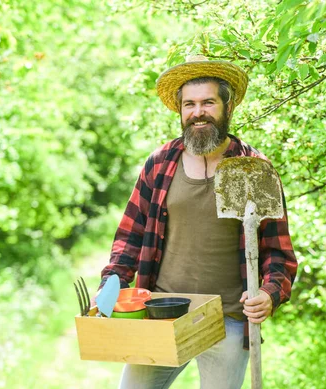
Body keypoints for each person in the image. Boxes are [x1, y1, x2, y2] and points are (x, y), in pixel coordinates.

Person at [94, 55, 298, 389]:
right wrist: (111, 284)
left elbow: (278, 252)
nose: (197, 112)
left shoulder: (253, 168)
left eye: (207, 102)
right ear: (180, 111)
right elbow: (130, 236)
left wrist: (269, 293)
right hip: (161, 313)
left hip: (227, 319)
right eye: (189, 104)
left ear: (226, 106)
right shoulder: (160, 164)